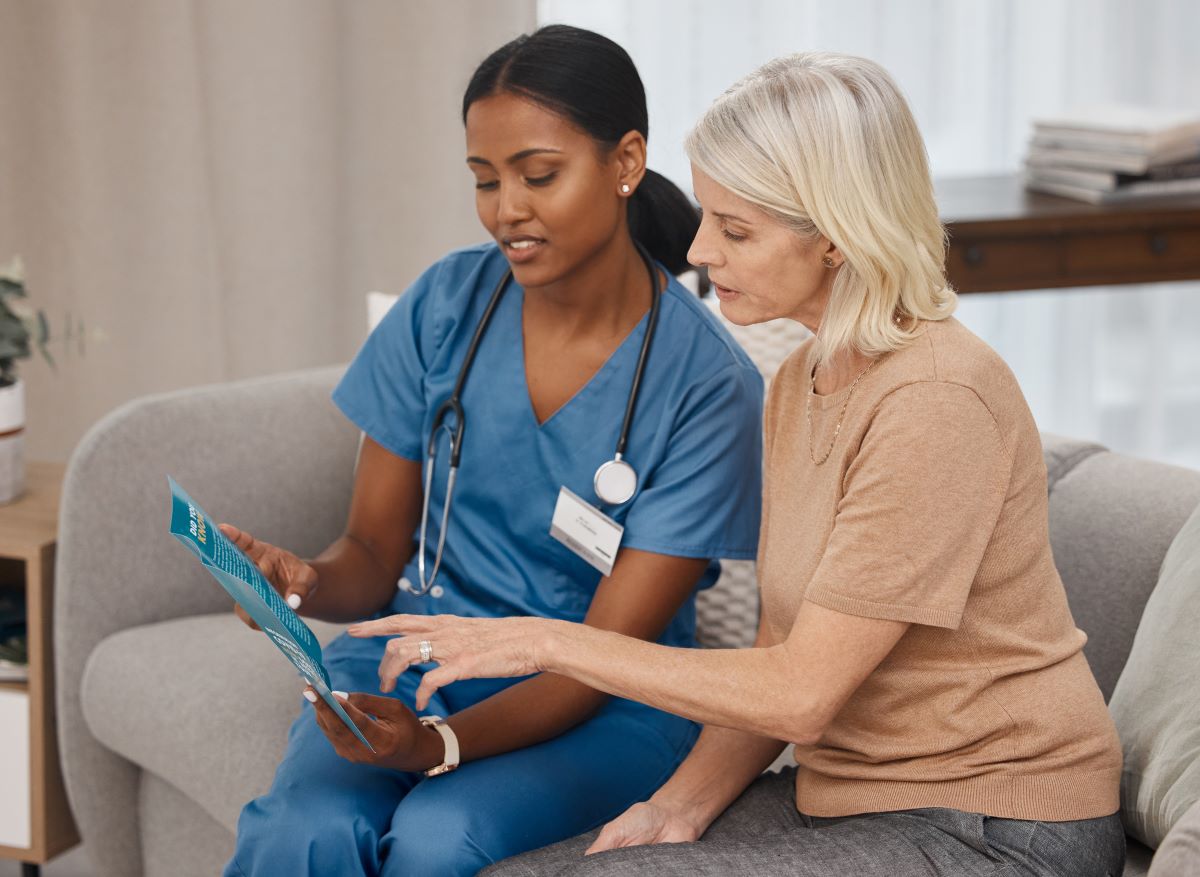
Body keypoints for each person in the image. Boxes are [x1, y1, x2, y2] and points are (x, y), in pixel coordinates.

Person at [350, 53, 1127, 877]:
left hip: (996, 823)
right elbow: (774, 649)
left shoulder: (936, 398)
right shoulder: (800, 378)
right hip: (847, 794)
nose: (697, 248)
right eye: (707, 217)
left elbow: (799, 693)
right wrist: (677, 804)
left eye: (735, 228)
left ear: (834, 234)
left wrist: (550, 642)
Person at [218, 25, 764, 877]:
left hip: (608, 695)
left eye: (538, 175)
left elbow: (606, 655)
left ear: (625, 163)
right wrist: (302, 582)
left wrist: (438, 745)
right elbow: (370, 554)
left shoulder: (706, 383)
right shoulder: (444, 305)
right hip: (412, 659)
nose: (506, 207)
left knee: (443, 837)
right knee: (305, 830)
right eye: (485, 179)